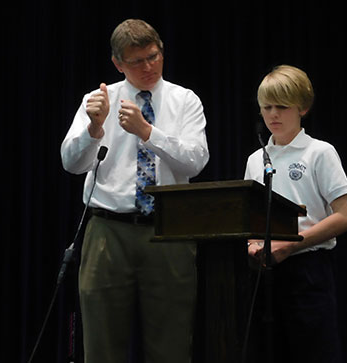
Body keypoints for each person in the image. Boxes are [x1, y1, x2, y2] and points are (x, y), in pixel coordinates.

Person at [61, 19, 209, 363]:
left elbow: (196, 162)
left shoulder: (184, 100)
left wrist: (148, 132)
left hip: (169, 229)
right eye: (136, 61)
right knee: (101, 345)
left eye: (154, 56)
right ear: (117, 64)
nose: (148, 66)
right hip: (107, 231)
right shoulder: (98, 100)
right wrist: (93, 129)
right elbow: (71, 163)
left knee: (171, 344)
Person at [244, 65, 347, 363]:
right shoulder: (256, 159)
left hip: (308, 270)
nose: (273, 115)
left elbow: (346, 215)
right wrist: (252, 244)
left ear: (303, 108)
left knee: (314, 351)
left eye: (282, 106)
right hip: (265, 271)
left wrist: (292, 244)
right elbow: (251, 218)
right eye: (266, 107)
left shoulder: (319, 152)